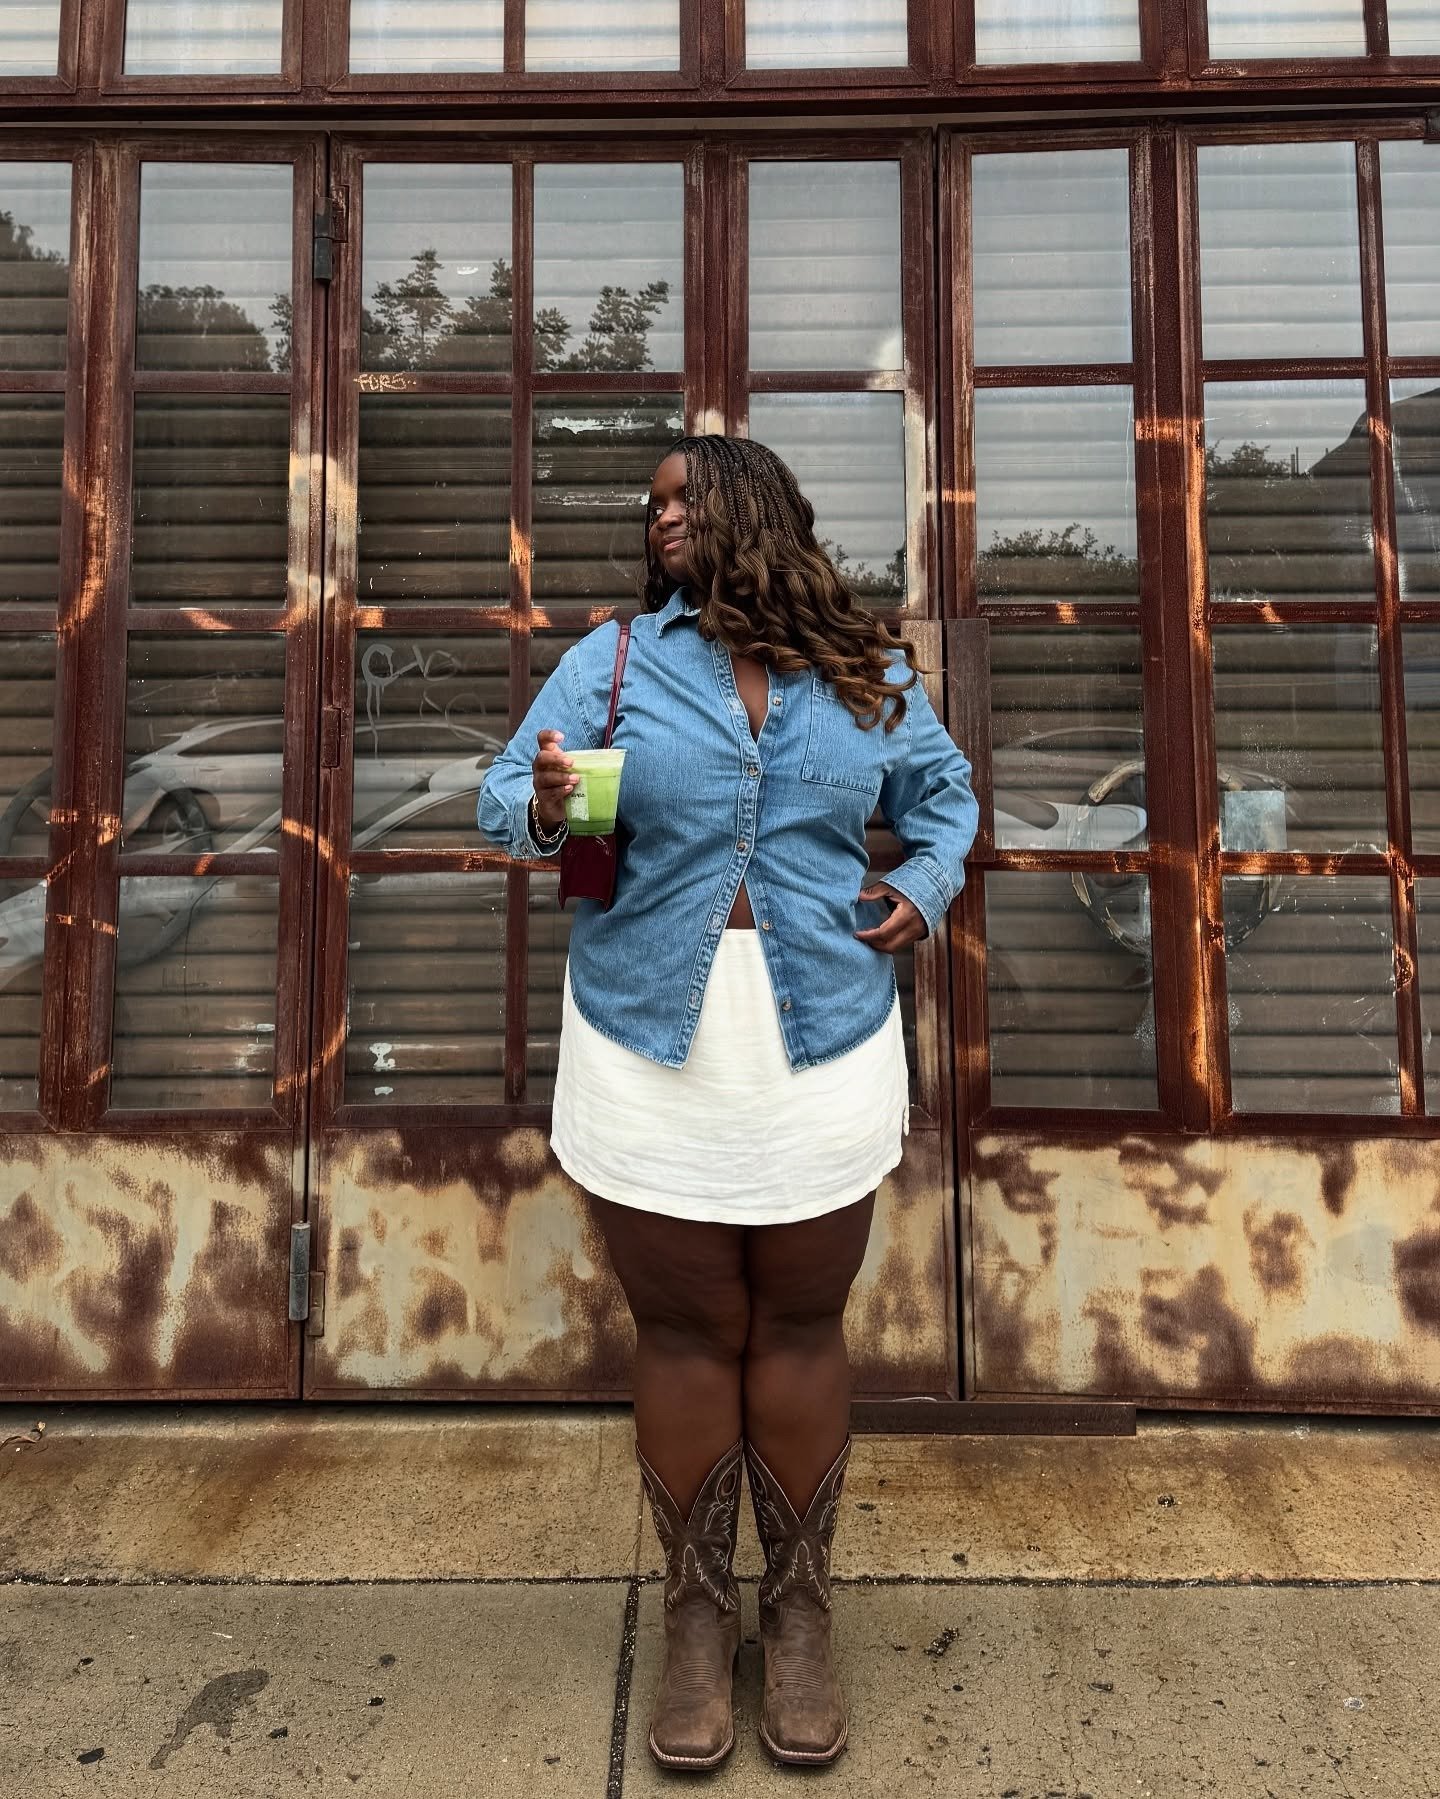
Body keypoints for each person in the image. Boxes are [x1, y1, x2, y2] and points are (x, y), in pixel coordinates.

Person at [478, 435, 977, 1770]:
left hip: (822, 1043)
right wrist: (539, 806)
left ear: (753, 512)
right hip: (650, 1043)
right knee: (691, 1331)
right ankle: (698, 1619)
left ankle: (800, 1609)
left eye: (683, 499)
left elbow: (948, 800)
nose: (661, 520)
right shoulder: (615, 664)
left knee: (803, 1322)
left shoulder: (865, 677)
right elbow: (499, 804)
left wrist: (921, 890)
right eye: (651, 507)